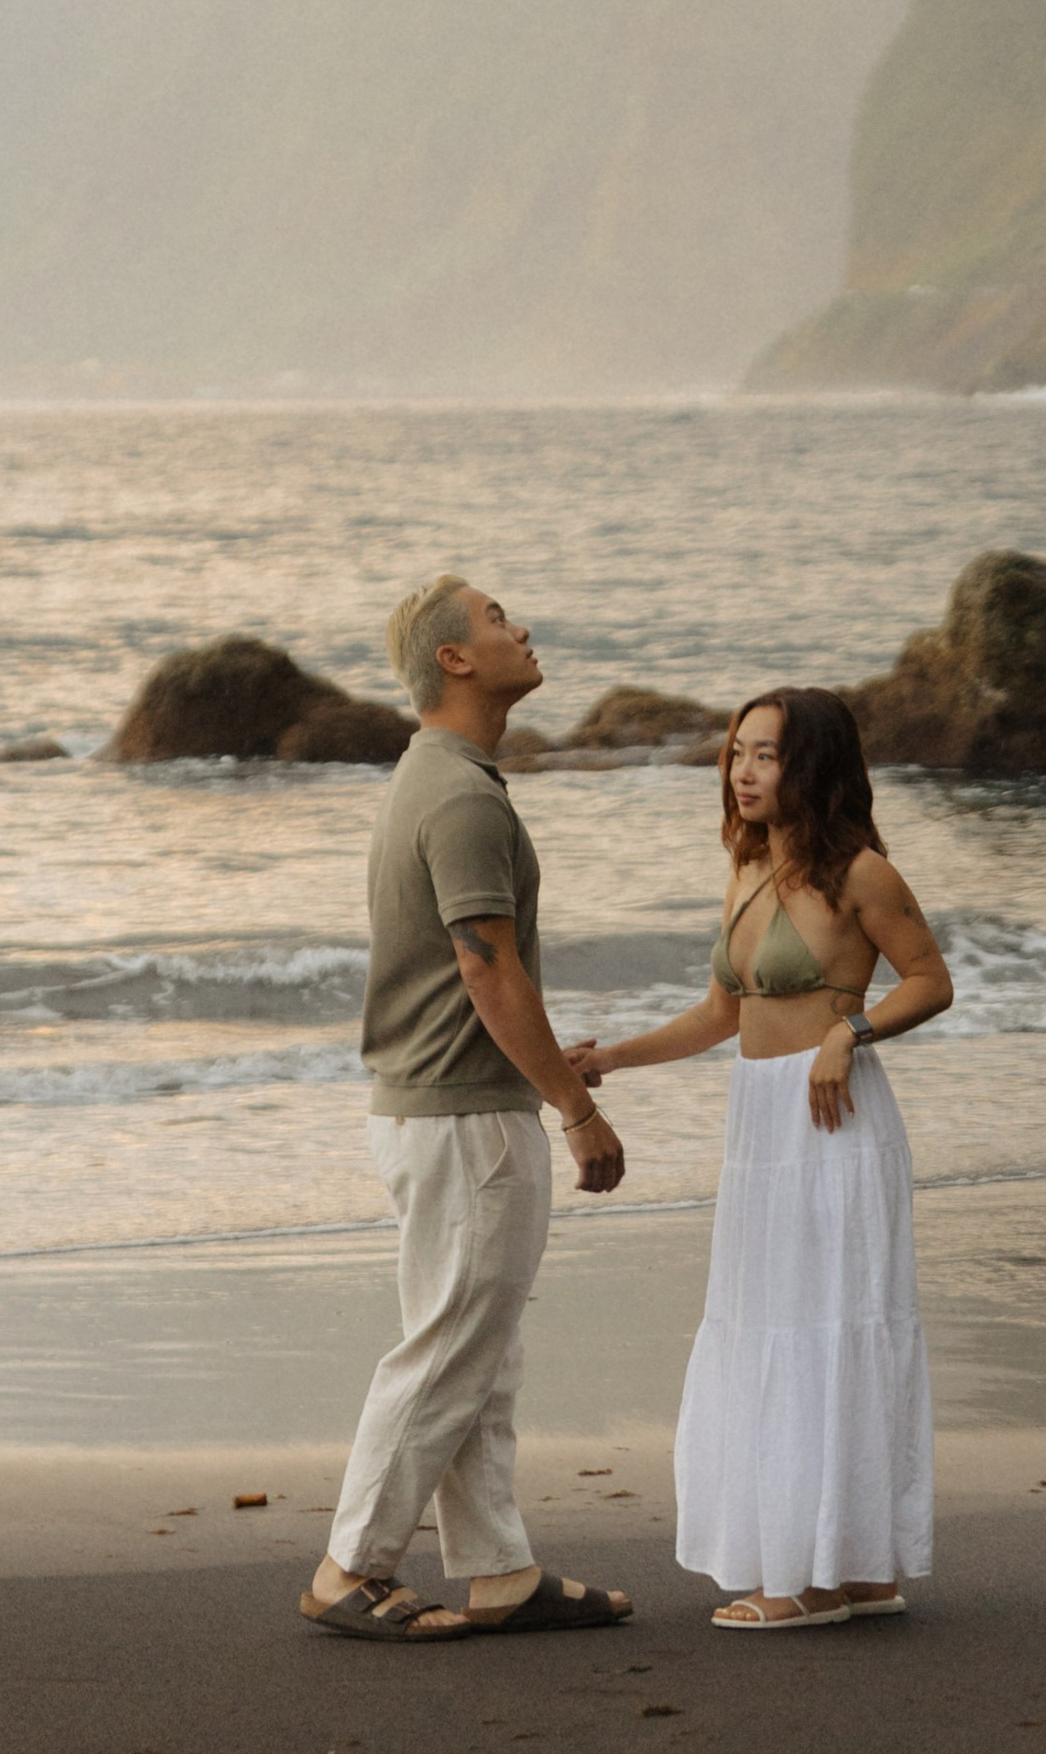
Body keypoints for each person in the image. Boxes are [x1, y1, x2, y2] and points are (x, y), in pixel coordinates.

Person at [570, 686, 951, 1630]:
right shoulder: (745, 868)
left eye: (766, 755)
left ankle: (812, 1579)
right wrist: (613, 1056)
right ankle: (855, 1566)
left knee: (825, 1330)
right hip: (761, 1129)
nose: (743, 771)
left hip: (834, 1126)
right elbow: (721, 1015)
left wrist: (848, 1033)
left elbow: (932, 981)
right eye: (737, 752)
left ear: (808, 766)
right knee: (778, 1323)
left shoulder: (861, 874)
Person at [301, 576, 636, 1644]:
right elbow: (487, 970)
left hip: (441, 1110)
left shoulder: (443, 778)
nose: (522, 629)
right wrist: (573, 1106)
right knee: (450, 1347)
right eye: (497, 620)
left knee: (478, 1346)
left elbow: (483, 974)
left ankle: (498, 1569)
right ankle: (352, 1566)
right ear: (453, 660)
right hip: (463, 1117)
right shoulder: (456, 794)